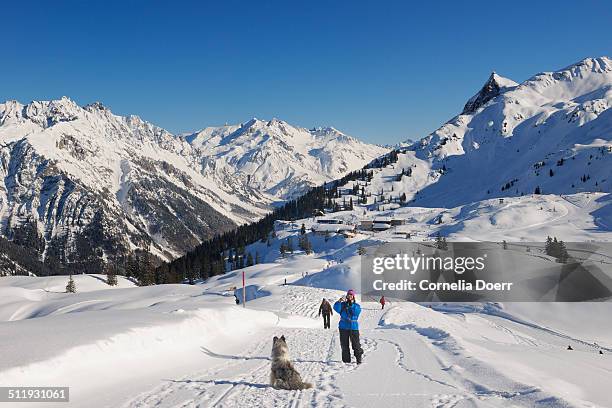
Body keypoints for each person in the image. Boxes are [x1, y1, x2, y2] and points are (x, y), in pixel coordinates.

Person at [334, 289, 364, 364]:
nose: (350, 296)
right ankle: (346, 362)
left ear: (353, 297)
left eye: (351, 295)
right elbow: (336, 308)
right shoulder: (343, 304)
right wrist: (339, 301)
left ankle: (358, 360)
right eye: (348, 295)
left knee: (356, 345)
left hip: (353, 327)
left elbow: (356, 313)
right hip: (343, 327)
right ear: (347, 296)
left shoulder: (356, 306)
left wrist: (352, 305)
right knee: (344, 345)